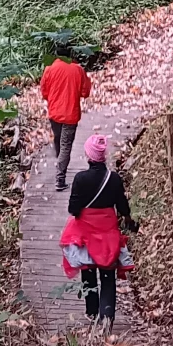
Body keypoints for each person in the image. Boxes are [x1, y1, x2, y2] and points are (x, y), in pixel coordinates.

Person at [58, 133, 138, 334]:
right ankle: (107, 317)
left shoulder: (80, 179)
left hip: (85, 232)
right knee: (108, 274)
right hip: (108, 232)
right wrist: (129, 220)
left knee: (88, 269)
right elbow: (122, 206)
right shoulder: (114, 179)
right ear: (103, 156)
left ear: (88, 155)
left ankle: (92, 312)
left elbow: (73, 209)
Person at [39, 48, 92, 190]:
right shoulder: (78, 70)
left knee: (58, 139)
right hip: (70, 114)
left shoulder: (49, 68)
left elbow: (44, 92)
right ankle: (60, 179)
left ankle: (59, 163)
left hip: (54, 113)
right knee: (65, 145)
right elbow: (85, 92)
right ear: (70, 54)